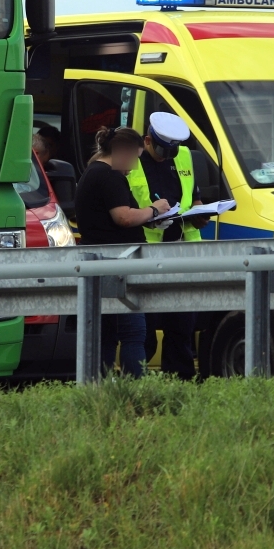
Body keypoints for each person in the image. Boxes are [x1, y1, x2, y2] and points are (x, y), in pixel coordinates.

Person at [73, 126, 170, 377]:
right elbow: (123, 218)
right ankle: (135, 391)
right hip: (118, 265)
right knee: (133, 334)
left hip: (100, 264)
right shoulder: (110, 176)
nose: (135, 166)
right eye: (136, 158)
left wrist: (147, 217)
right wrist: (155, 209)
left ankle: (100, 389)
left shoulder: (93, 173)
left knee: (107, 335)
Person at [130, 112, 204, 379]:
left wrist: (200, 213)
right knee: (144, 328)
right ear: (147, 140)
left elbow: (193, 198)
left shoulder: (183, 155)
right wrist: (149, 216)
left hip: (181, 252)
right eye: (162, 149)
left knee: (182, 326)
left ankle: (180, 382)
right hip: (145, 255)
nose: (167, 155)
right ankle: (136, 382)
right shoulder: (133, 160)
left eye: (172, 150)